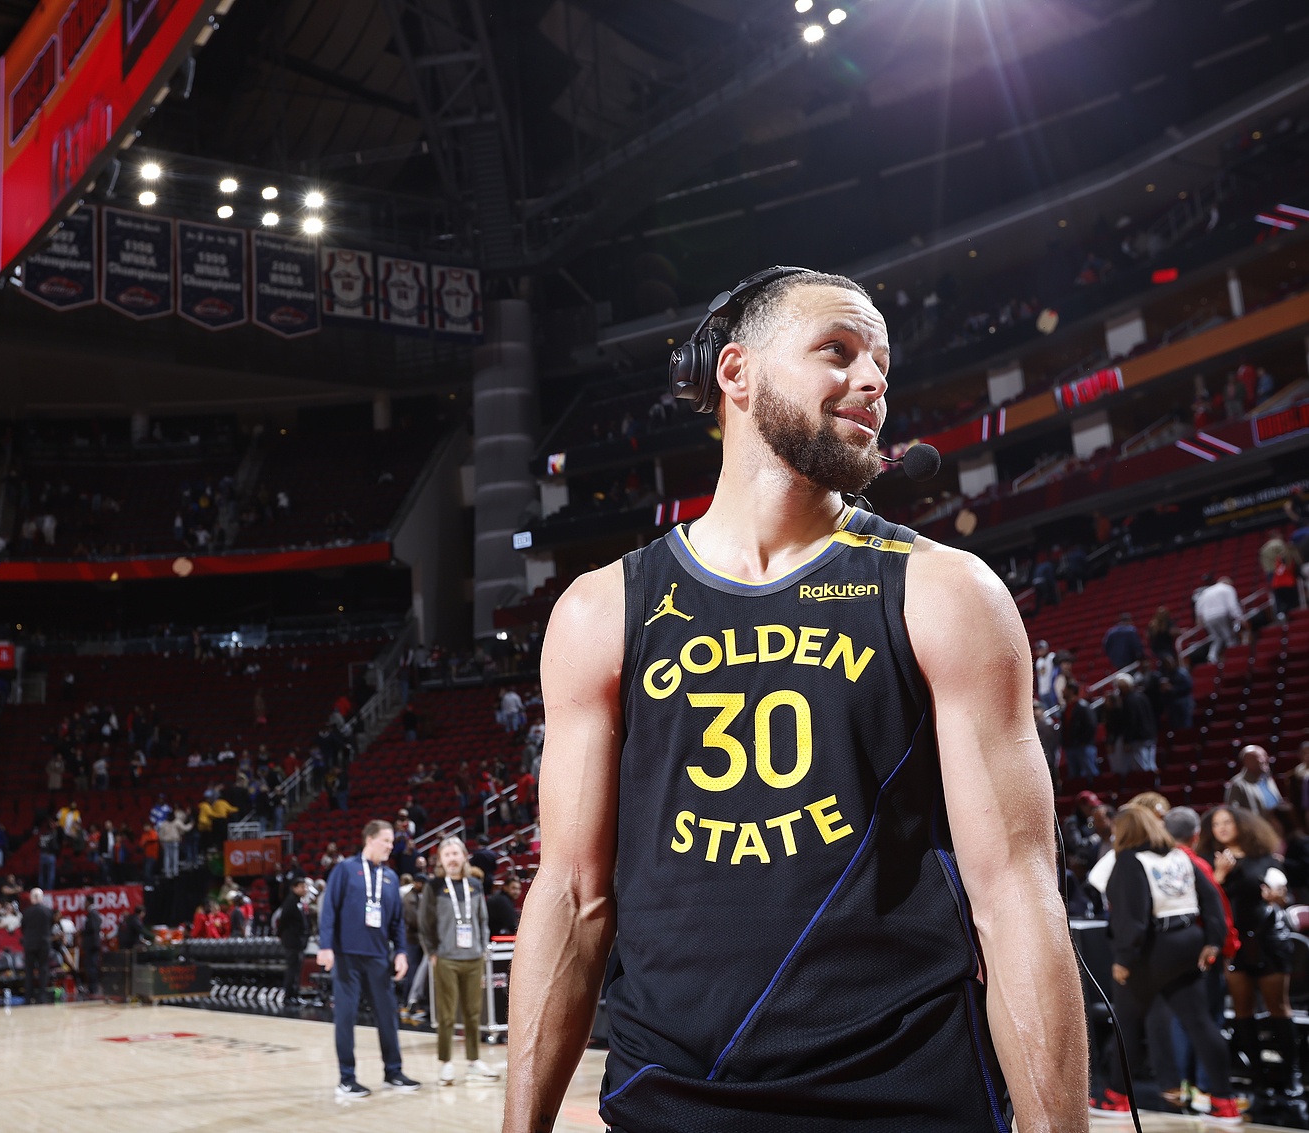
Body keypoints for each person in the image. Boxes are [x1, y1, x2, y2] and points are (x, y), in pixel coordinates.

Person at [503, 268, 1085, 1133]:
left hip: (904, 1101)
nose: (873, 379)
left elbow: (1015, 897)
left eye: (882, 363)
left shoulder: (946, 591)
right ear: (735, 372)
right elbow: (572, 898)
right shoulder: (600, 611)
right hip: (672, 1101)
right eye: (838, 350)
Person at [1095, 807, 1239, 1122]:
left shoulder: (1130, 860)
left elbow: (1132, 917)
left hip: (1153, 949)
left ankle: (1117, 1097)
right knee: (1200, 1023)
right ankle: (1225, 1102)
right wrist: (1213, 941)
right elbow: (1212, 898)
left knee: (1127, 1023)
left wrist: (1124, 958)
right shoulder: (1180, 856)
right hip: (1188, 945)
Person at [317, 820, 421, 1099]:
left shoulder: (391, 877)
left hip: (378, 957)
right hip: (347, 956)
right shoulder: (345, 869)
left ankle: (393, 1072)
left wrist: (401, 952)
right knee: (346, 1017)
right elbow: (329, 910)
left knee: (387, 1016)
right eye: (386, 841)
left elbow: (397, 922)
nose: (390, 846)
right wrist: (325, 946)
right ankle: (346, 1079)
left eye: (391, 842)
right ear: (370, 839)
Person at [1200, 805, 1298, 1097]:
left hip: (1268, 939)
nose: (1222, 828)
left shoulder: (1265, 858)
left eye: (1227, 822)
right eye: (1216, 824)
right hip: (1235, 943)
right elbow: (1208, 901)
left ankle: (1290, 1075)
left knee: (1278, 1007)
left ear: (1242, 825)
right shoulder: (1210, 860)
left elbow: (1284, 896)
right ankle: (1257, 1077)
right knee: (1243, 1010)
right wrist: (1219, 875)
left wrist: (1279, 897)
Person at [420, 836, 498, 1085]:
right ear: (441, 861)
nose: (452, 859)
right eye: (447, 855)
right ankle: (445, 1063)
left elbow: (482, 919)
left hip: (473, 958)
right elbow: (424, 924)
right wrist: (432, 952)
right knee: (446, 1015)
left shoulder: (475, 884)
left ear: (464, 856)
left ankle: (474, 1062)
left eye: (455, 853)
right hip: (446, 959)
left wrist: (482, 947)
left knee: (474, 1013)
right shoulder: (433, 886)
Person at [1195, 575, 1245, 664]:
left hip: (1208, 617)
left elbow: (1198, 607)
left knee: (1216, 638)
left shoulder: (1206, 591)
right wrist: (1240, 618)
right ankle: (1233, 655)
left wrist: (1200, 621)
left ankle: (1211, 657)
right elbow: (1232, 605)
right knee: (1229, 637)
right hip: (1221, 614)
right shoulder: (1228, 588)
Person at [278, 877, 310, 1002]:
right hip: (292, 941)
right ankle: (289, 995)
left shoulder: (300, 902)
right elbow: (283, 921)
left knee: (297, 968)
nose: (304, 889)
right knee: (292, 968)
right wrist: (284, 936)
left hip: (299, 941)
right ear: (294, 888)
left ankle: (295, 993)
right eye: (301, 886)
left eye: (305, 886)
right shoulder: (290, 902)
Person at [1226, 744, 1282, 814]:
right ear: (1248, 762)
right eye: (1261, 756)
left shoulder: (1267, 778)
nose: (1266, 759)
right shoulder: (1238, 784)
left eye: (1266, 755)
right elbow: (1235, 812)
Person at [22, 888, 54, 1005]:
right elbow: (51, 927)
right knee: (43, 970)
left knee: (29, 971)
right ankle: (42, 997)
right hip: (43, 944)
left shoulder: (26, 912)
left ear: (32, 898)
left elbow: (23, 928)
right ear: (41, 898)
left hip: (30, 944)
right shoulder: (48, 911)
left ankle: (28, 997)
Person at [79, 895, 102, 998]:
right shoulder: (93, 913)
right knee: (91, 965)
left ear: (88, 902)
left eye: (85, 902)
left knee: (91, 966)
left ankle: (93, 988)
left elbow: (93, 928)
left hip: (92, 945)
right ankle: (92, 987)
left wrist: (83, 932)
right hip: (93, 944)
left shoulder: (93, 914)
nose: (84, 904)